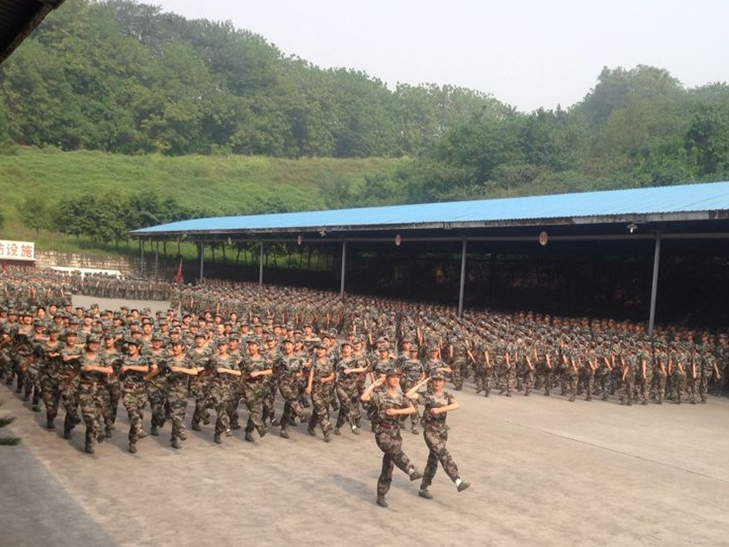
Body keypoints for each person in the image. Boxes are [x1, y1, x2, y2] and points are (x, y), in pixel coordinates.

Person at [361, 367, 423, 508]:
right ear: (387, 379)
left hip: (395, 432)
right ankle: (410, 470)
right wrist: (373, 385)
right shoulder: (380, 394)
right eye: (392, 377)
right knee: (394, 451)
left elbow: (412, 409)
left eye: (398, 377)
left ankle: (381, 494)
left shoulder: (401, 396)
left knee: (388, 465)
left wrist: (396, 411)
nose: (396, 379)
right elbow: (364, 397)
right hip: (382, 431)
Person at [406, 371, 470, 499]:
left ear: (443, 382)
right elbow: (408, 394)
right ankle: (457, 481)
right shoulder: (427, 395)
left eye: (440, 380)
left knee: (433, 461)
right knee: (443, 454)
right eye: (434, 380)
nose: (437, 383)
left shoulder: (447, 396)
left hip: (442, 431)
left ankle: (423, 488)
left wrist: (440, 409)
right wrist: (422, 383)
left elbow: (456, 404)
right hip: (430, 431)